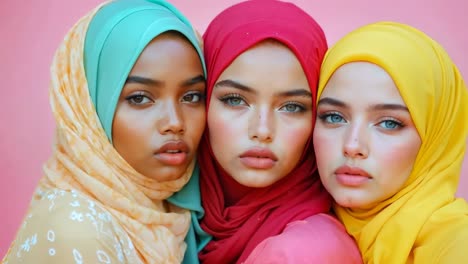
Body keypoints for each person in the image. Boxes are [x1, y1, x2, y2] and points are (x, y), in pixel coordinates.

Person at [3, 0, 210, 263]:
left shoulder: (175, 212)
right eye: (139, 98)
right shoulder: (76, 230)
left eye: (192, 96)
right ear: (88, 108)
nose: (175, 122)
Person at [198, 0, 362, 263]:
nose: (262, 130)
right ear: (203, 101)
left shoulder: (307, 252)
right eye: (234, 100)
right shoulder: (164, 214)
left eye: (292, 107)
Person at [313, 21, 468, 263]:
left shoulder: (456, 244)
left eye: (389, 123)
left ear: (434, 138)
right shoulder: (291, 229)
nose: (352, 146)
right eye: (334, 117)